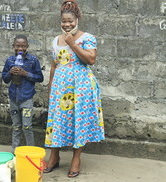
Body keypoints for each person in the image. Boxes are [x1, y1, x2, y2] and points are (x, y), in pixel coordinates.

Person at [43, 0, 105, 178]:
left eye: (70, 20)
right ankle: (54, 157)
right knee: (56, 122)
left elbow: (90, 59)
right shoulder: (56, 40)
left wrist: (72, 43)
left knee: (79, 121)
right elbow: (54, 66)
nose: (67, 24)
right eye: (64, 21)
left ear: (77, 19)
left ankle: (76, 159)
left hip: (81, 88)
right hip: (60, 88)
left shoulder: (87, 38)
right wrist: (50, 89)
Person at [1, 35, 44, 153]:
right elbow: (5, 79)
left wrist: (26, 74)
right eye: (18, 46)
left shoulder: (33, 61)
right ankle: (15, 152)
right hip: (13, 98)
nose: (20, 48)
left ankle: (30, 151)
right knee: (16, 126)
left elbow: (40, 78)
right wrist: (10, 72)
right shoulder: (10, 60)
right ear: (13, 46)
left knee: (27, 126)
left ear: (27, 47)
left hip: (26, 98)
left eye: (23, 46)